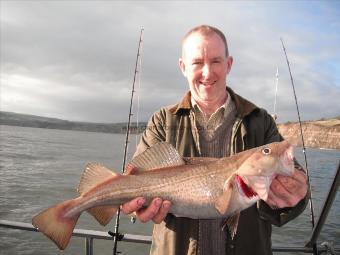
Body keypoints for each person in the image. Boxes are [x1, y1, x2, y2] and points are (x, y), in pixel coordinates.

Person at [121, 25, 309, 255]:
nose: (207, 73)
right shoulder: (162, 121)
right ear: (183, 67)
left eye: (216, 61)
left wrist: (294, 197)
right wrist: (133, 208)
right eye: (197, 62)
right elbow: (132, 183)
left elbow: (294, 192)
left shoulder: (261, 121)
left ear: (228, 64)